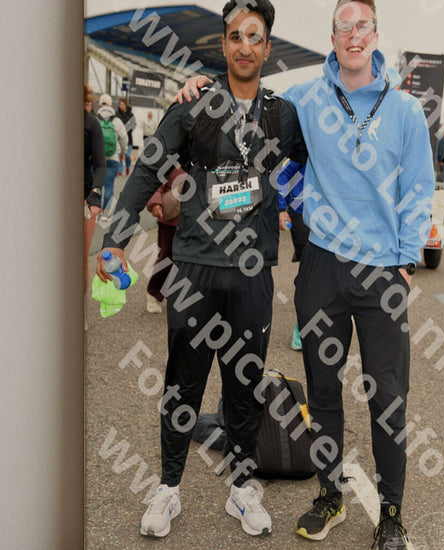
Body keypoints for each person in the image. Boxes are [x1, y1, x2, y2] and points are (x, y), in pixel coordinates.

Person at [178, 1, 434, 547]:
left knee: (388, 397)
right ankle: (330, 496)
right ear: (333, 37)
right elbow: (248, 100)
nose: (353, 35)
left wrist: (407, 262)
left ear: (375, 34)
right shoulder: (305, 99)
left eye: (362, 25)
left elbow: (418, 188)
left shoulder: (407, 111)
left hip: (383, 272)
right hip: (320, 266)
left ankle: (391, 511)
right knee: (322, 391)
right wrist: (200, 89)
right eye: (343, 27)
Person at [96, 0, 306, 540]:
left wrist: (314, 253)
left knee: (244, 385)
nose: (244, 46)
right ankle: (168, 487)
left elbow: (315, 174)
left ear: (267, 47)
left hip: (252, 274)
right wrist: (114, 242)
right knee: (182, 384)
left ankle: (242, 488)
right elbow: (146, 171)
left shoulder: (284, 115)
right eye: (235, 35)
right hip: (194, 270)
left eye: (254, 36)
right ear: (223, 44)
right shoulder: (193, 104)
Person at [277, 159, 309, 350]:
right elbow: (281, 175)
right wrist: (281, 209)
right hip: (302, 213)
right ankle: (302, 327)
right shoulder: (305, 146)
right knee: (308, 274)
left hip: (331, 217)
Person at [144, 165, 185, 314]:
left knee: (188, 261)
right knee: (167, 257)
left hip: (194, 221)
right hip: (170, 220)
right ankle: (153, 293)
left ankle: (176, 295)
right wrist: (155, 202)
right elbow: (156, 182)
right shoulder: (170, 160)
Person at [84, 84, 106, 310]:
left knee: (79, 256)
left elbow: (100, 165)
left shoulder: (91, 123)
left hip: (84, 197)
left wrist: (95, 194)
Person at [97, 94, 128, 218]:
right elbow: (124, 139)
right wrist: (122, 153)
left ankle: (95, 210)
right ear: (111, 105)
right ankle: (105, 213)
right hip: (113, 158)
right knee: (109, 185)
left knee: (97, 186)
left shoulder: (95, 119)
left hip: (97, 159)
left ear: (99, 104)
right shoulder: (117, 121)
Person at [116, 97, 136, 176]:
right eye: (120, 104)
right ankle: (120, 170)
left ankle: (127, 167)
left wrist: (128, 128)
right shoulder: (117, 114)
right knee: (120, 155)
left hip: (128, 139)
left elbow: (134, 125)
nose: (121, 106)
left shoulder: (130, 115)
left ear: (126, 105)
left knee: (127, 155)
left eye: (123, 104)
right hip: (119, 138)